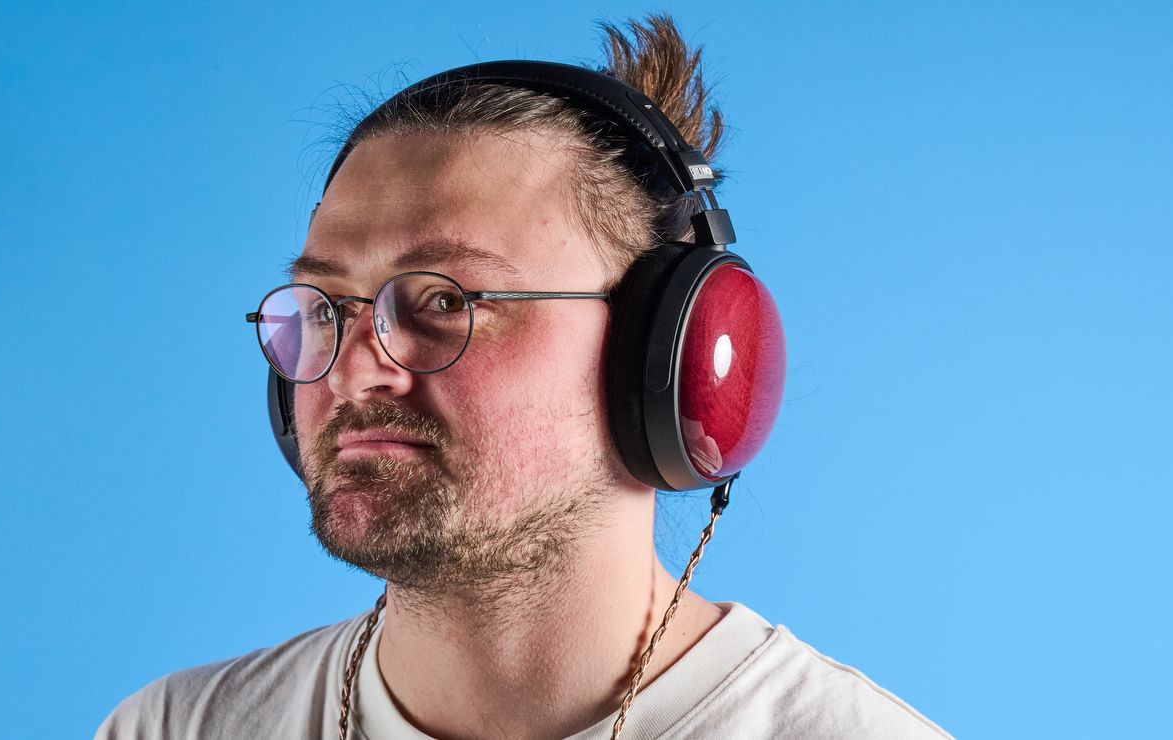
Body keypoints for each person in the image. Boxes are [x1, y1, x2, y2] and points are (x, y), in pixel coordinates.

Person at [97, 14, 950, 740]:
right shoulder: (175, 727)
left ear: (666, 353)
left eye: (442, 298)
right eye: (326, 305)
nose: (354, 367)